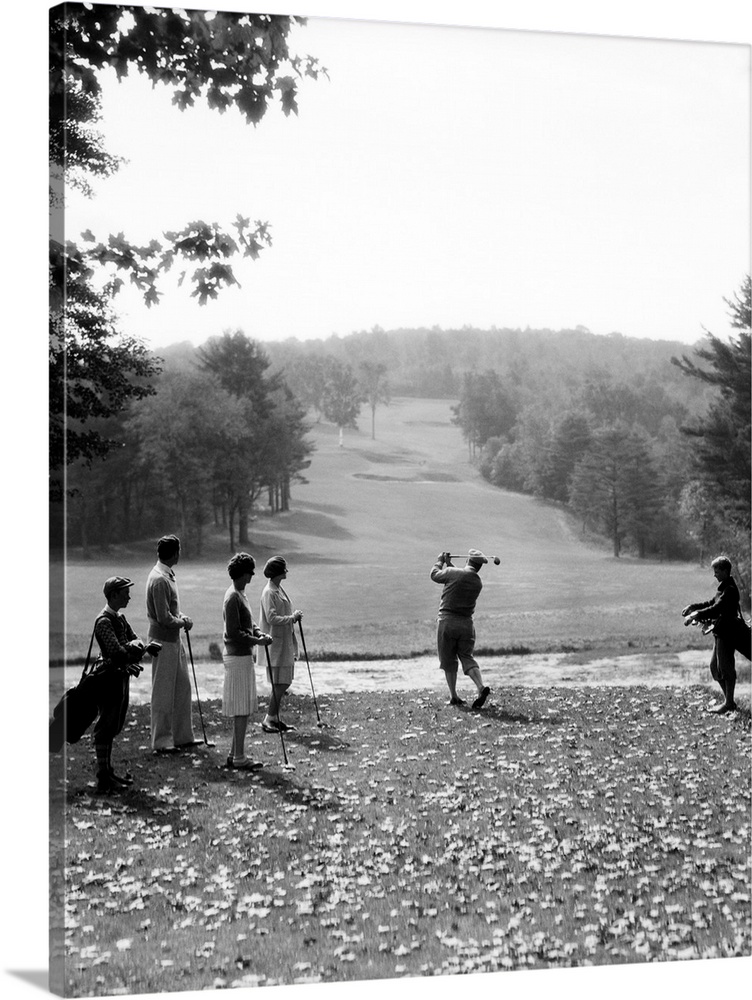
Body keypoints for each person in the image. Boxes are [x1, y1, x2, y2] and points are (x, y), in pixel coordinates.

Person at [92, 577, 158, 793]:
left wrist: (142, 646)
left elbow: (135, 640)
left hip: (120, 676)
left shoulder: (120, 618)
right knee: (106, 725)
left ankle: (108, 771)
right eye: (124, 593)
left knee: (115, 724)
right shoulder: (104, 622)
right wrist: (135, 647)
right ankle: (103, 776)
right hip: (108, 679)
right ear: (113, 595)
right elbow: (117, 652)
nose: (128, 596)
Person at [145, 534, 199, 753]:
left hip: (173, 640)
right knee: (163, 693)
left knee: (182, 689)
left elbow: (171, 611)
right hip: (162, 642)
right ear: (175, 553)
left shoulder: (167, 575)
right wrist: (183, 622)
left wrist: (181, 618)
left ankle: (183, 736)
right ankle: (162, 740)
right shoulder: (159, 579)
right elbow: (163, 618)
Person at [222, 552, 272, 770]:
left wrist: (258, 633)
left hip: (243, 655)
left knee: (243, 706)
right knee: (241, 707)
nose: (252, 577)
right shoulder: (232, 596)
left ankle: (235, 753)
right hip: (237, 656)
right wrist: (257, 642)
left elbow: (248, 623)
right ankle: (240, 758)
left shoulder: (240, 593)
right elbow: (233, 633)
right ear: (241, 573)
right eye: (250, 573)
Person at [682, 555, 745, 714]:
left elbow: (717, 609)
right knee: (714, 669)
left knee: (726, 668)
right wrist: (692, 607)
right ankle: (729, 702)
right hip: (719, 633)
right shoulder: (723, 587)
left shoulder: (730, 590)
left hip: (728, 634)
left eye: (717, 571)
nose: (714, 574)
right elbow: (711, 604)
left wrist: (696, 615)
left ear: (725, 571)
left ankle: (729, 703)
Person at [431, 549, 492, 709]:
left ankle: (454, 696)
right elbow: (460, 577)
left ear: (467, 561)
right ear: (479, 567)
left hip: (447, 622)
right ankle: (480, 687)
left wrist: (440, 561)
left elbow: (435, 575)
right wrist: (450, 565)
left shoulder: (452, 573)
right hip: (466, 625)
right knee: (466, 657)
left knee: (448, 659)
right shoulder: (477, 582)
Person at [258, 556, 303, 733]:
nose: (286, 571)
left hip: (284, 642)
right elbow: (271, 618)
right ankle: (269, 718)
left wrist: (293, 616)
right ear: (278, 572)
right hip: (275, 644)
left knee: (284, 681)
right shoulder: (269, 592)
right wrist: (292, 618)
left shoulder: (278, 589)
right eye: (284, 569)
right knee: (280, 682)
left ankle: (274, 718)